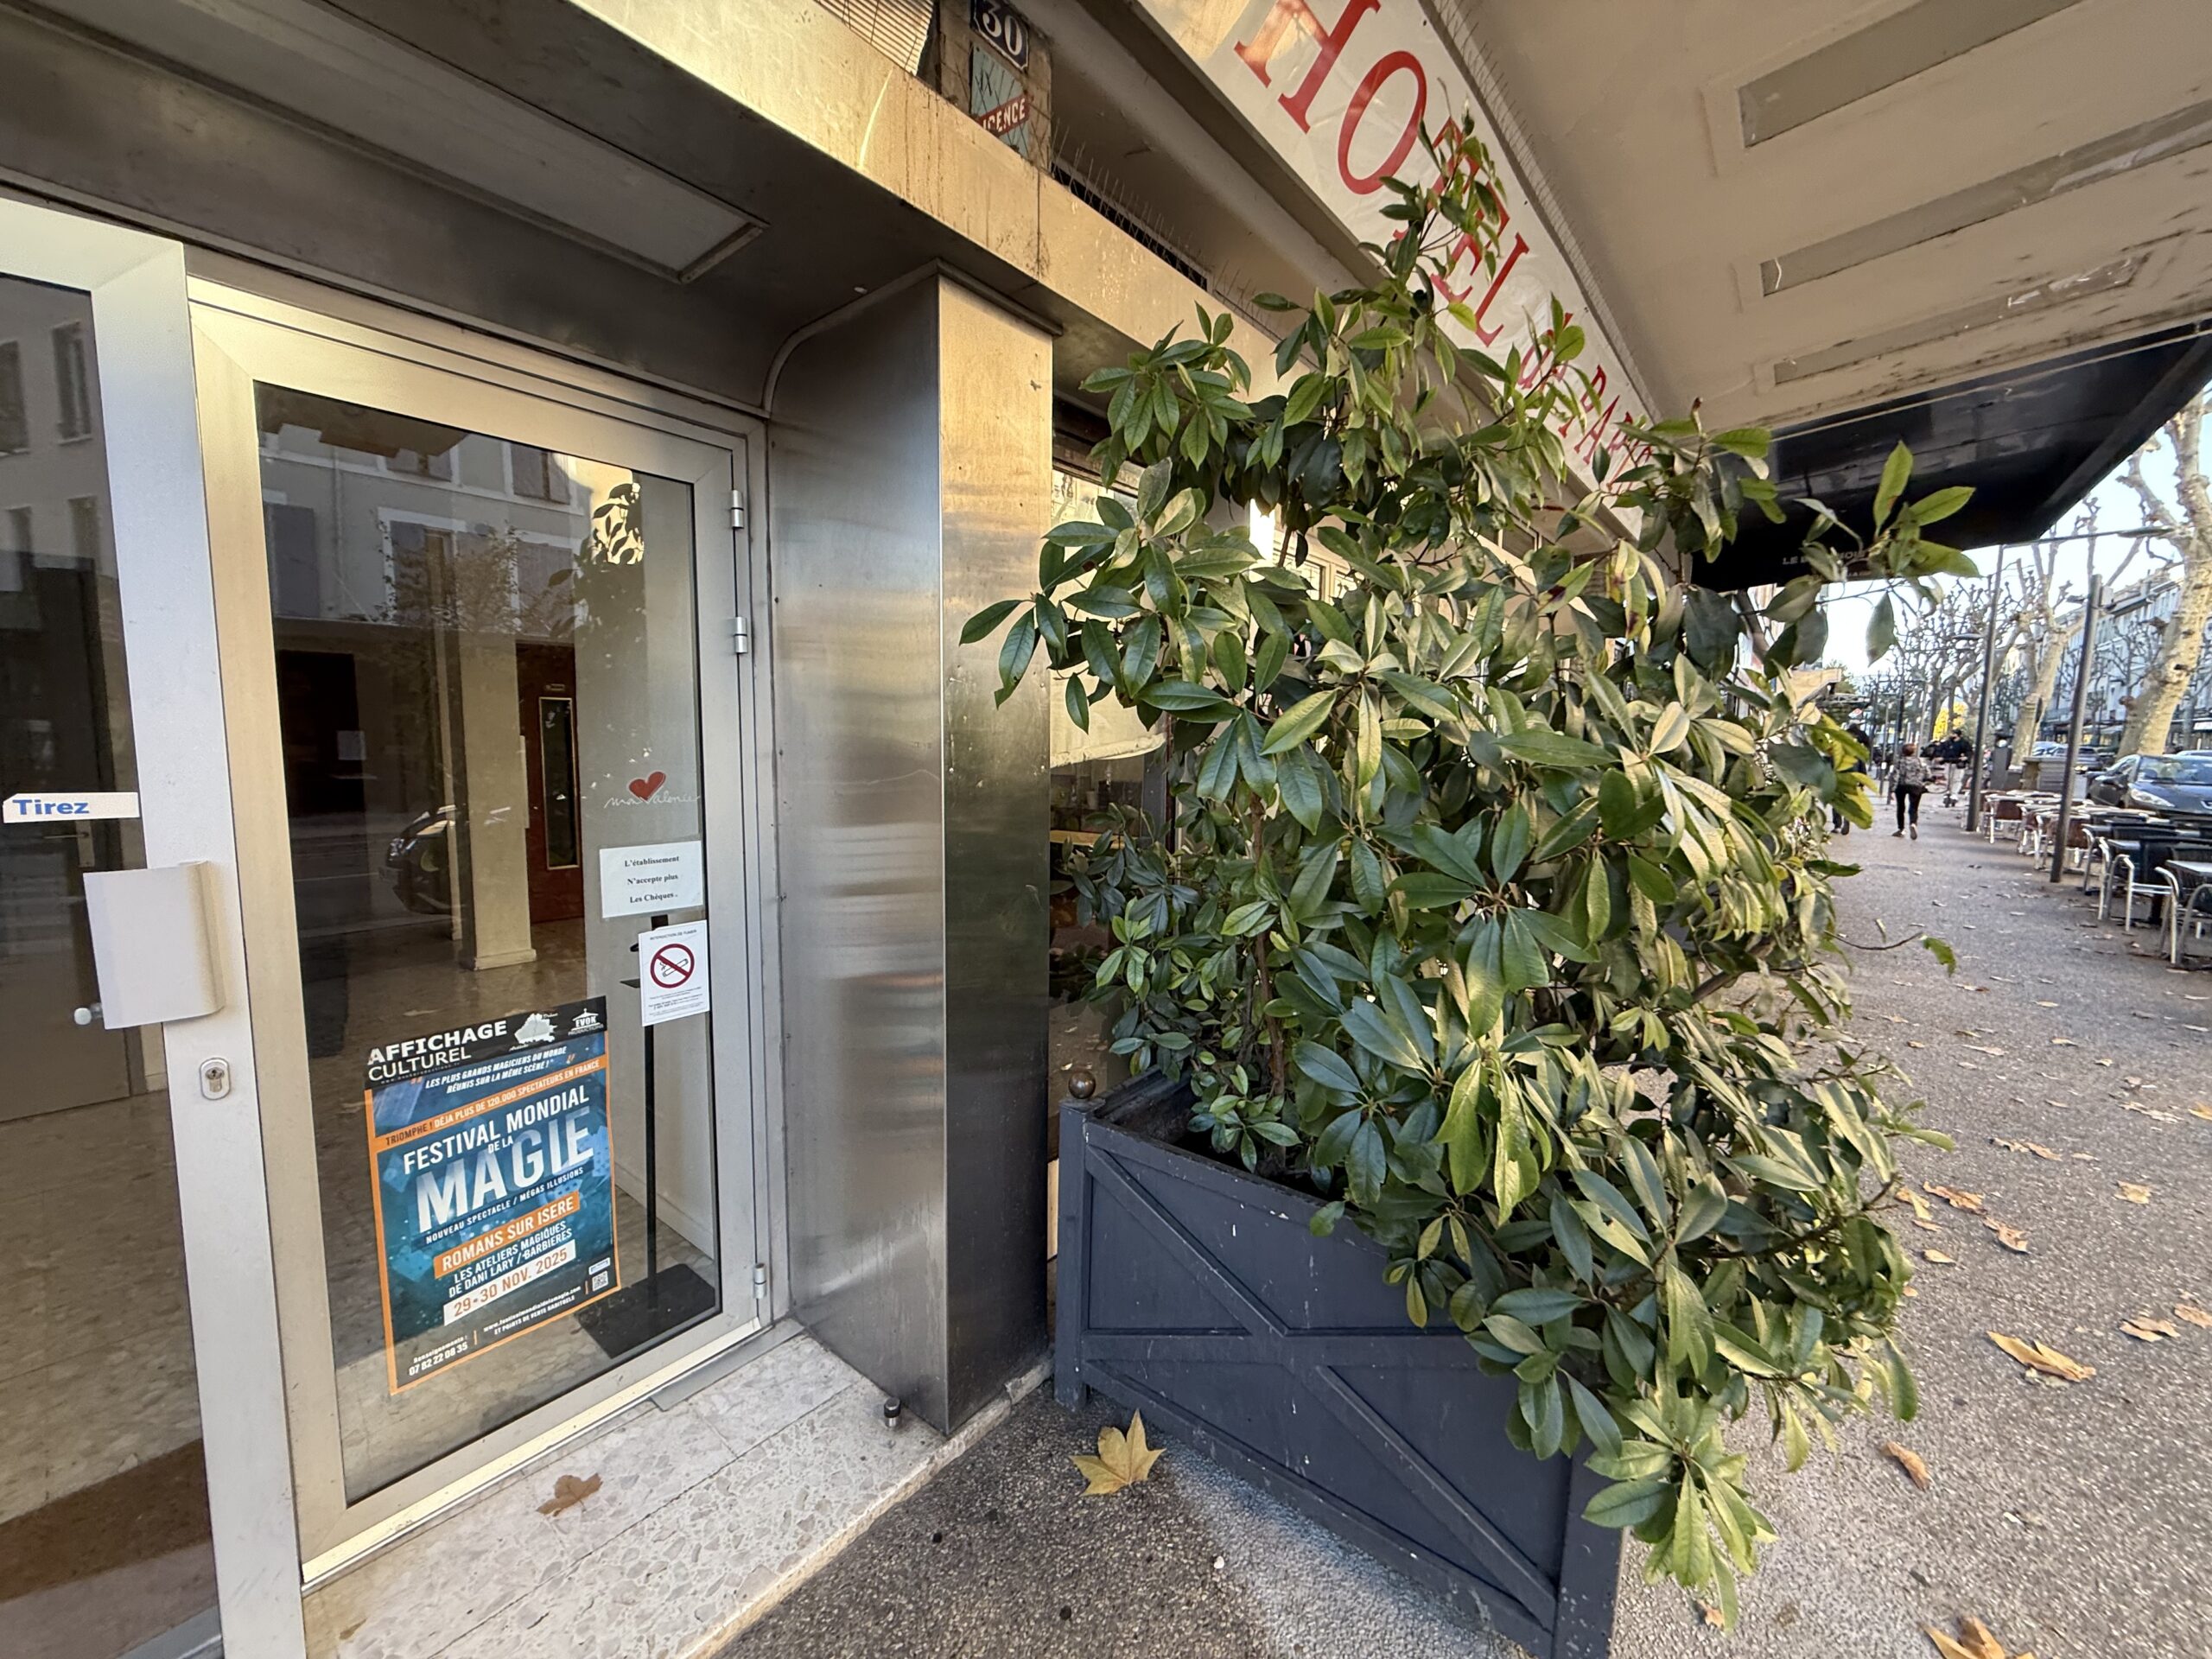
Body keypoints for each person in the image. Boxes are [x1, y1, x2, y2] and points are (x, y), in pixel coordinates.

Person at [1834, 721, 1872, 833]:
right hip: (1852, 778)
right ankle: (1847, 817)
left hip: (1839, 777)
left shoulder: (1838, 750)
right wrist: (1862, 784)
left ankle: (1837, 825)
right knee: (1850, 799)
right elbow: (1862, 768)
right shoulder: (1857, 751)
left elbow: (1831, 763)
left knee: (1837, 800)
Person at [1891, 742, 1930, 838]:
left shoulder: (1900, 761)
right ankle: (1913, 823)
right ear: (1914, 752)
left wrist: (1892, 789)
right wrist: (1924, 783)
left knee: (1900, 807)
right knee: (1914, 807)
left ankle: (1901, 829)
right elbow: (1928, 775)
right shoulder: (1920, 762)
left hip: (1902, 785)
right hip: (1916, 786)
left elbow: (1895, 775)